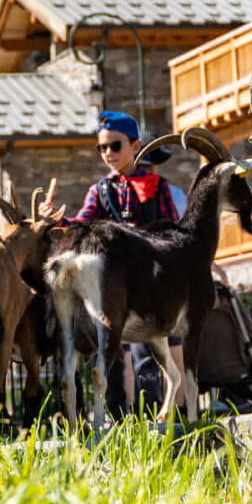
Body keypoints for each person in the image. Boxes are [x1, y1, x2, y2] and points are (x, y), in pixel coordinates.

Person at [42, 111, 184, 417]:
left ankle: (150, 417)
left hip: (147, 283)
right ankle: (117, 416)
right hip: (111, 286)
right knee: (110, 353)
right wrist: (58, 220)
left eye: (115, 146)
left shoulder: (157, 186)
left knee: (149, 354)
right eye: (102, 148)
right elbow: (81, 224)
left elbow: (172, 232)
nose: (108, 153)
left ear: (136, 146)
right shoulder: (99, 190)